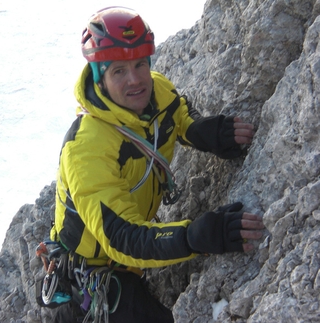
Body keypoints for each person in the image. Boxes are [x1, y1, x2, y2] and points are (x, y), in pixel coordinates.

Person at [46, 6, 264, 323]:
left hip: (127, 266)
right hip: (89, 280)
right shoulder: (86, 149)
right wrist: (194, 237)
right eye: (118, 71)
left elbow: (178, 117)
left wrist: (205, 132)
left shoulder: (157, 90)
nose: (135, 80)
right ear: (100, 77)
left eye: (140, 65)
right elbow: (121, 236)